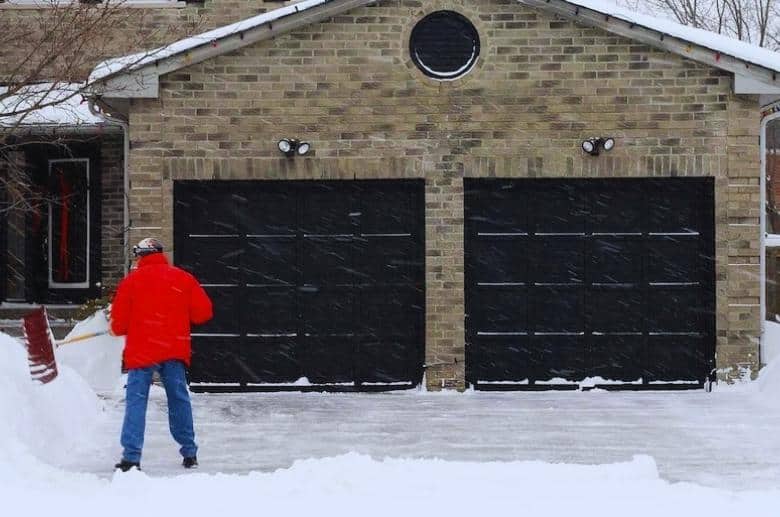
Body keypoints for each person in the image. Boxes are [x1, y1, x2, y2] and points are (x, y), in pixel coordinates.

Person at [109, 237, 213, 472]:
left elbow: (118, 326)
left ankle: (131, 457)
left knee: (136, 402)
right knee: (178, 400)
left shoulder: (131, 282)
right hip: (173, 349)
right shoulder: (183, 278)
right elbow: (203, 313)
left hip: (142, 351)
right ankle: (189, 452)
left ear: (142, 256)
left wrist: (123, 322)